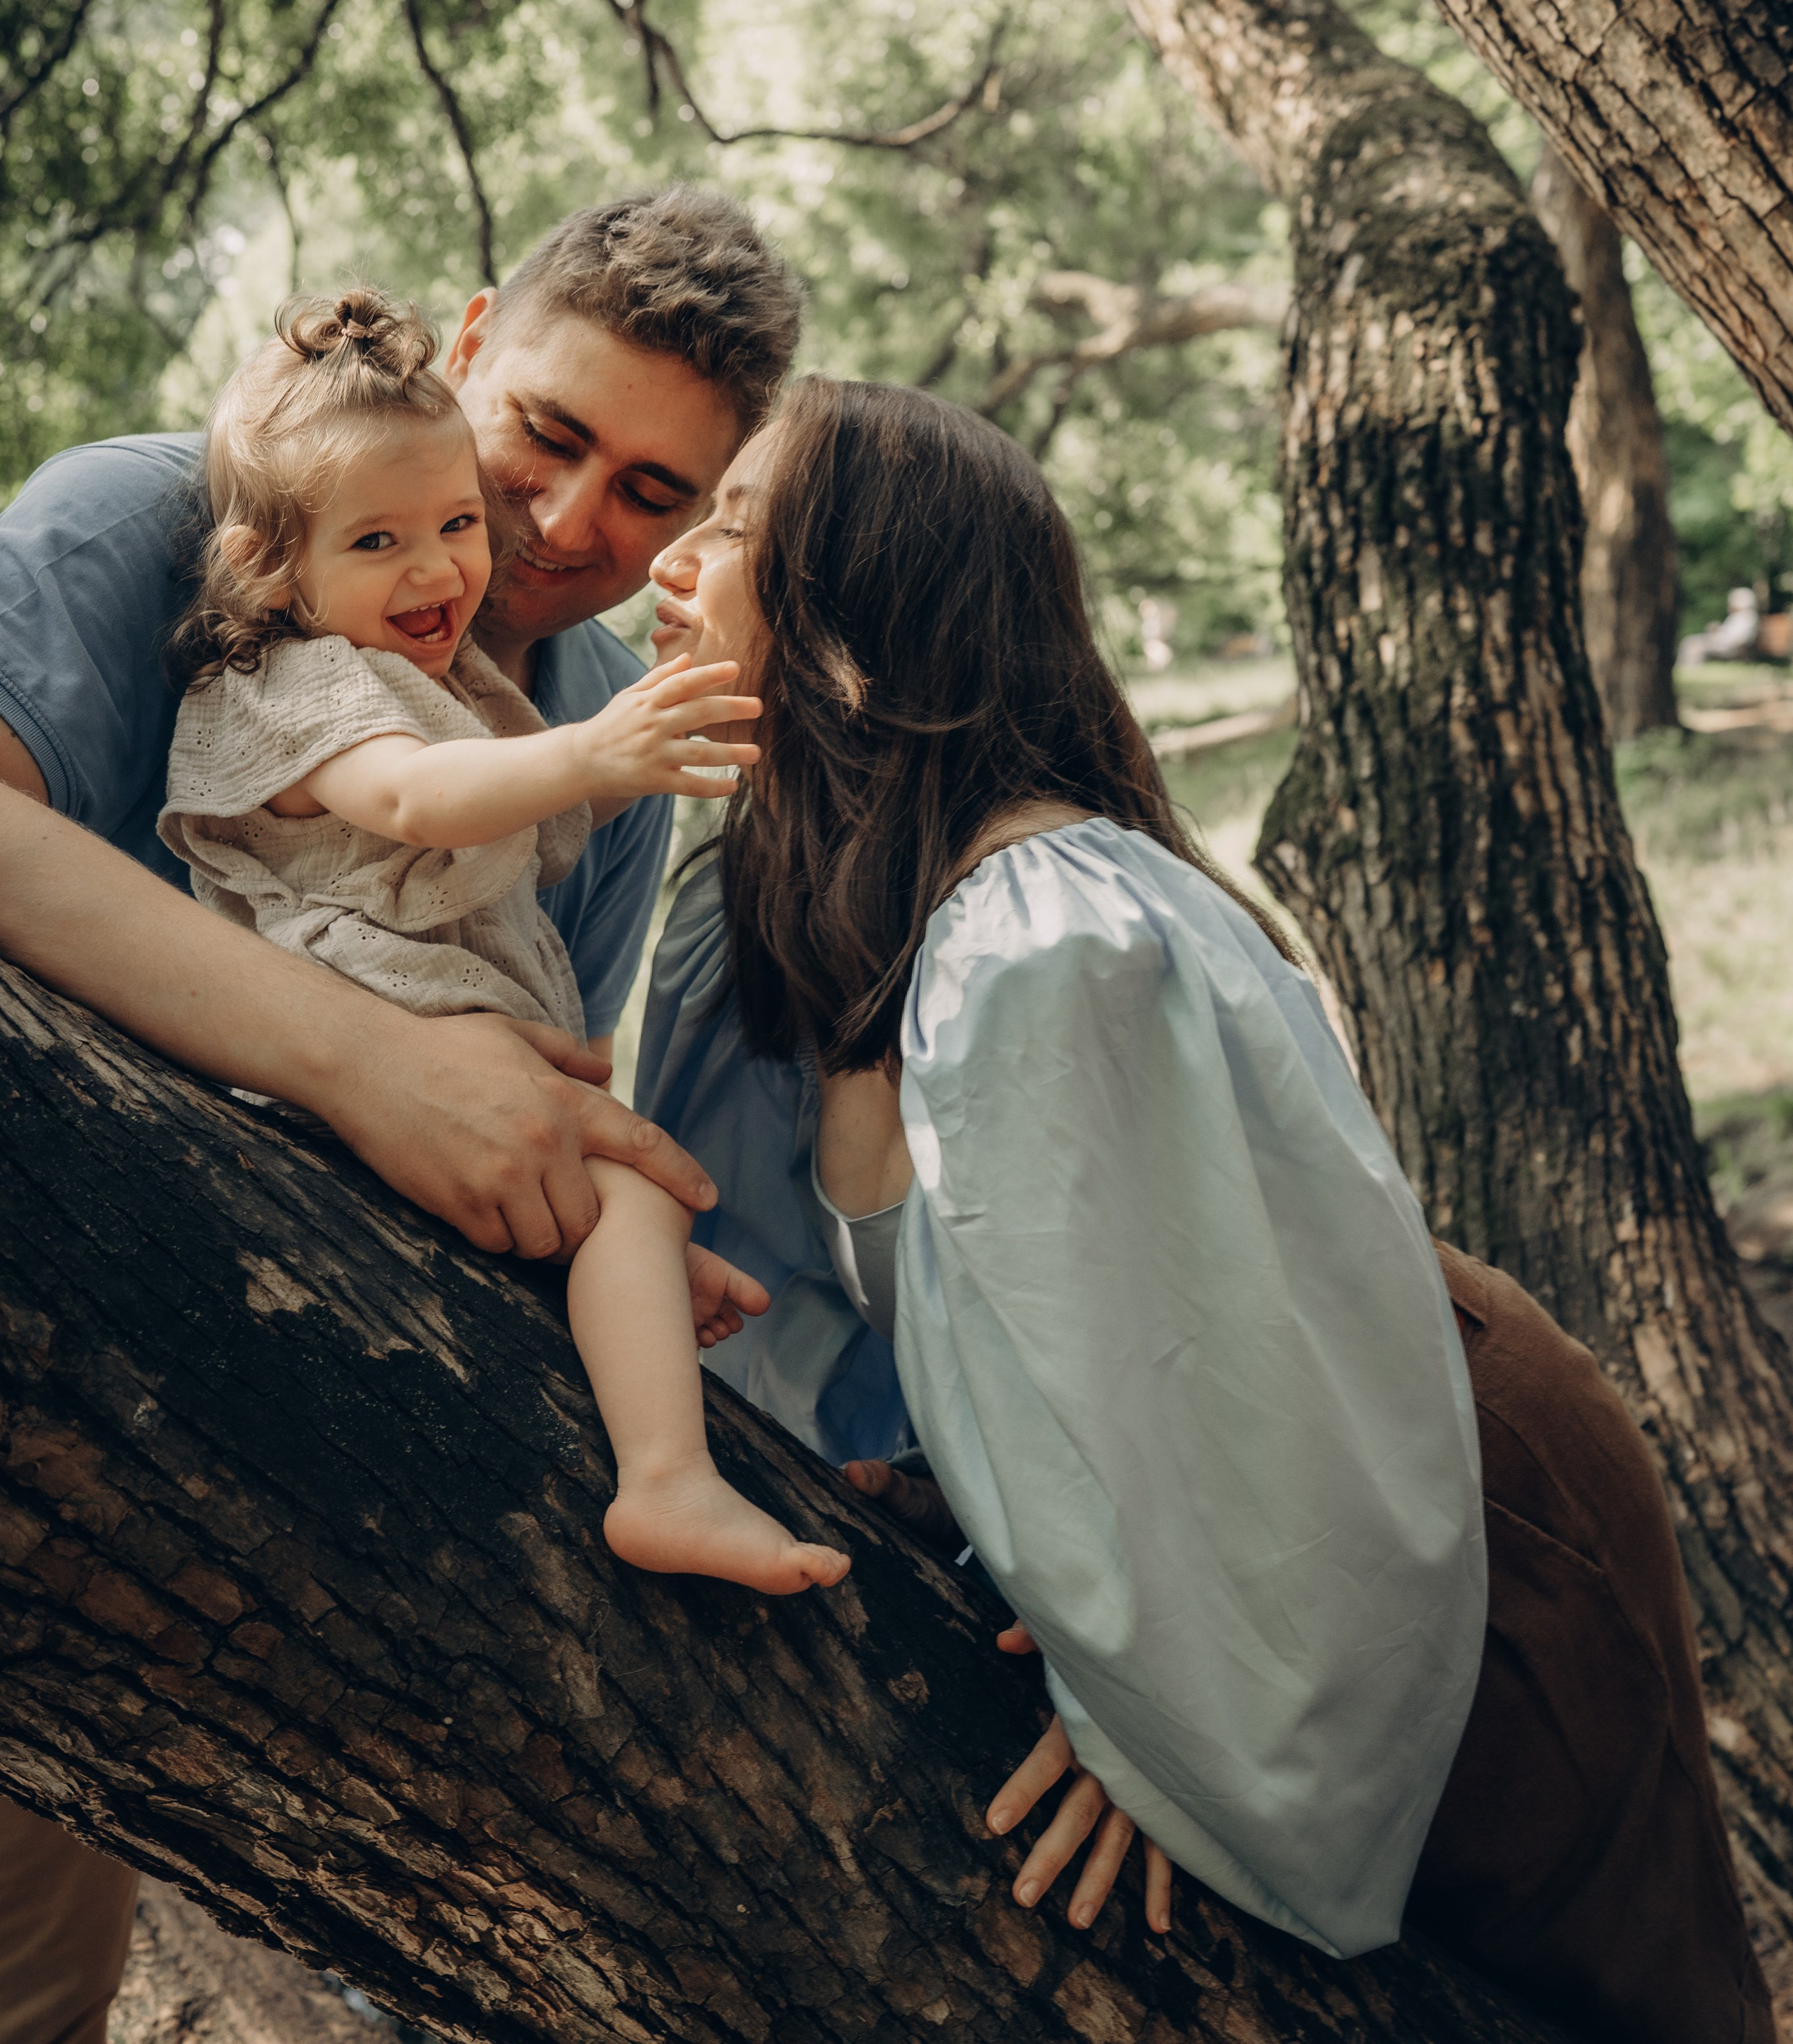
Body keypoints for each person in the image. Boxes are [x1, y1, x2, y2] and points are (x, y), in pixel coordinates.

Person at [633, 375, 1771, 2044]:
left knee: (1619, 1999)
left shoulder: (1038, 945)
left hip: (1436, 1506)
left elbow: (1228, 1400)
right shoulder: (838, 902)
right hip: (1331, 1459)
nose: (672, 560)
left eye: (731, 525)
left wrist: (1170, 1728)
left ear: (848, 619)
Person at [0, 187, 803, 2037]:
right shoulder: (157, 521)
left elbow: (500, 1093)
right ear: (462, 348)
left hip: (154, 1515)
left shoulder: (588, 727)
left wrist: (586, 1217)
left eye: (656, 494)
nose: (566, 522)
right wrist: (361, 1064)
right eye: (548, 432)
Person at [158, 283, 847, 1594]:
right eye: (378, 542)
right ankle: (667, 1477)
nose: (438, 571)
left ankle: (660, 1444)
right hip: (372, 1028)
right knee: (622, 1186)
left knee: (632, 1193)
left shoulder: (441, 670)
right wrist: (596, 753)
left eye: (456, 524)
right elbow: (412, 797)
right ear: (274, 566)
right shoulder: (294, 683)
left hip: (463, 1038)